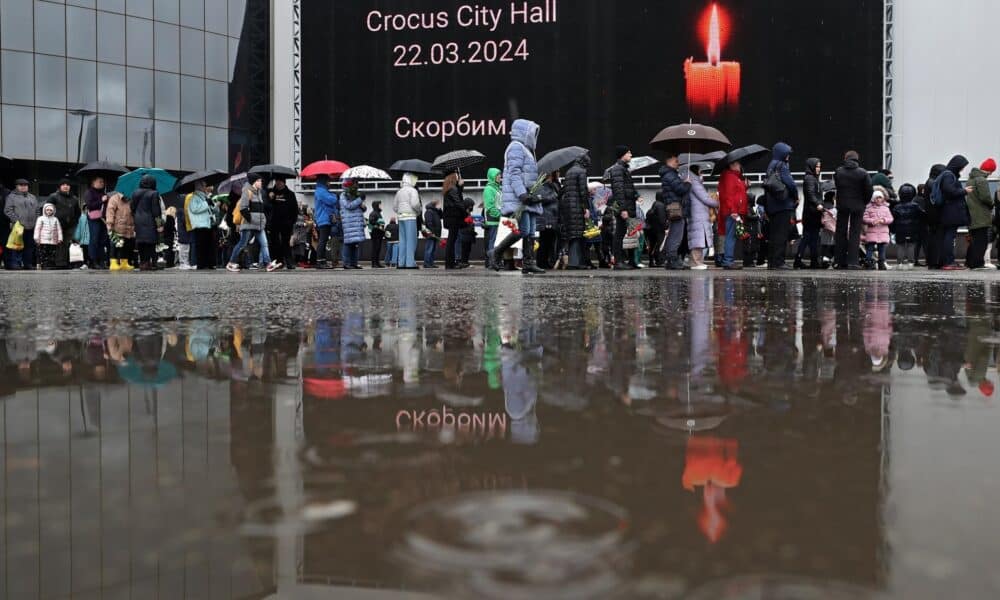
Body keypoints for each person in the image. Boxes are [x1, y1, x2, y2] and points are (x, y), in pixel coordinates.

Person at [489, 118, 544, 275]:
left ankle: (528, 263)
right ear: (525, 133)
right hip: (521, 197)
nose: (534, 136)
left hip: (528, 196)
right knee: (523, 230)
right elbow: (514, 173)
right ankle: (496, 252)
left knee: (531, 231)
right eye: (532, 132)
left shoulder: (525, 149)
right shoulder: (516, 147)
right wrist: (522, 194)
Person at [226, 173, 282, 272]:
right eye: (259, 181)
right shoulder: (247, 191)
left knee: (264, 244)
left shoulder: (259, 192)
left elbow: (261, 209)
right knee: (242, 244)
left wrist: (262, 220)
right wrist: (251, 219)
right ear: (254, 182)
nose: (261, 182)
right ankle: (231, 263)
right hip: (249, 224)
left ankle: (268, 264)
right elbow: (243, 208)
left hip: (258, 224)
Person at [833, 150, 874, 270]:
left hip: (842, 205)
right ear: (857, 159)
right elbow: (869, 190)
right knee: (855, 233)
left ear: (846, 158)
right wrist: (863, 202)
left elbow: (837, 186)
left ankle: (839, 261)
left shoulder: (839, 171)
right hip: (858, 205)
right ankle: (853, 261)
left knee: (840, 232)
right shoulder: (863, 173)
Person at [764, 142, 799, 270]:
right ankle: (779, 262)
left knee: (774, 235)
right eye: (787, 154)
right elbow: (790, 183)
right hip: (783, 205)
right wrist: (795, 196)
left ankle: (772, 262)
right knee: (782, 235)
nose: (788, 156)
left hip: (772, 205)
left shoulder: (771, 165)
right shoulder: (782, 165)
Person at [937, 155, 972, 271]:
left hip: (948, 211)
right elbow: (949, 191)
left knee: (948, 237)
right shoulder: (948, 175)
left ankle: (948, 261)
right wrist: (964, 191)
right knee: (949, 237)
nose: (962, 169)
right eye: (962, 166)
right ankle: (949, 262)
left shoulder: (947, 174)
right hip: (951, 212)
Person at [608, 145, 639, 270]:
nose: (631, 155)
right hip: (624, 207)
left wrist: (636, 195)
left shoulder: (624, 169)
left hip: (630, 206)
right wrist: (623, 209)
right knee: (620, 234)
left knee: (633, 233)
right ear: (622, 154)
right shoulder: (617, 169)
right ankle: (618, 262)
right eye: (629, 153)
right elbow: (619, 190)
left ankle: (632, 261)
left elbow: (627, 188)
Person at [660, 153, 693, 270]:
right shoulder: (670, 174)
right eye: (676, 160)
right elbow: (680, 189)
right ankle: (672, 259)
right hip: (676, 207)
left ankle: (671, 259)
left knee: (675, 233)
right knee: (676, 234)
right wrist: (687, 183)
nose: (678, 162)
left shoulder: (670, 174)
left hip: (674, 206)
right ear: (669, 160)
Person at [559, 154, 591, 270]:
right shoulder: (581, 172)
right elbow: (582, 191)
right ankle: (575, 262)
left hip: (568, 207)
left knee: (572, 234)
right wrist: (586, 207)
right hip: (577, 206)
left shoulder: (569, 171)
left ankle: (574, 261)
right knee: (578, 234)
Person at [684, 164, 718, 270]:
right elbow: (705, 198)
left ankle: (698, 262)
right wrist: (718, 203)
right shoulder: (695, 182)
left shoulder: (694, 181)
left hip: (698, 214)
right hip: (697, 215)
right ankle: (695, 263)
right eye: (701, 171)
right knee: (697, 240)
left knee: (699, 239)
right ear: (696, 171)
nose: (702, 174)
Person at [718, 159, 749, 270]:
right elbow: (728, 195)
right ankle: (728, 261)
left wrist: (745, 186)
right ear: (732, 165)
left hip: (733, 211)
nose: (740, 166)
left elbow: (736, 194)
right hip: (732, 212)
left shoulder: (733, 177)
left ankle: (728, 260)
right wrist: (733, 210)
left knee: (731, 236)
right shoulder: (730, 177)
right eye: (738, 164)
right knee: (731, 236)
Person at [965, 158, 995, 270]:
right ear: (990, 171)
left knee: (974, 240)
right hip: (981, 215)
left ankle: (970, 262)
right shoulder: (982, 180)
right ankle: (977, 263)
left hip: (972, 214)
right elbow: (985, 197)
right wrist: (992, 204)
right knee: (981, 240)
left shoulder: (971, 179)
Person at [795, 158, 824, 269]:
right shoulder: (810, 179)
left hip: (813, 213)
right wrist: (818, 204)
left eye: (819, 166)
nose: (818, 169)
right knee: (808, 237)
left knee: (812, 238)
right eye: (816, 166)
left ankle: (813, 261)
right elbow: (811, 194)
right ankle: (800, 259)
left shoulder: (813, 179)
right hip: (811, 213)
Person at [4, 179, 38, 270]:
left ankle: (28, 264)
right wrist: (17, 221)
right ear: (17, 186)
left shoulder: (32, 197)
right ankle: (15, 264)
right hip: (17, 226)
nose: (24, 187)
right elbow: (8, 210)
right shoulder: (11, 197)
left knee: (29, 246)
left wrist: (35, 221)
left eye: (25, 185)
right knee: (16, 245)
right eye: (21, 185)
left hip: (31, 226)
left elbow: (37, 211)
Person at [47, 178, 80, 269]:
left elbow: (78, 212)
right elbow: (47, 209)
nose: (66, 186)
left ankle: (65, 262)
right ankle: (57, 263)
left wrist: (75, 222)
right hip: (56, 224)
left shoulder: (74, 198)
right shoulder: (53, 196)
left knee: (67, 244)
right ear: (60, 186)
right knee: (57, 243)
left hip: (70, 225)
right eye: (63, 184)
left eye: (68, 185)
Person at [132, 175, 163, 271]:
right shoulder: (154, 193)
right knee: (151, 242)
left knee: (141, 242)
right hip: (150, 220)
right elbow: (156, 210)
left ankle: (143, 262)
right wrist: (159, 224)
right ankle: (150, 263)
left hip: (138, 220)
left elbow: (132, 207)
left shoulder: (135, 193)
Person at [267, 178, 299, 270]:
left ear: (284, 183)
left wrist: (292, 221)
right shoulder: (271, 193)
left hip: (286, 223)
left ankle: (289, 262)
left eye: (280, 182)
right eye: (276, 181)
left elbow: (295, 209)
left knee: (286, 243)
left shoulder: (290, 194)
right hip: (274, 223)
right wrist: (270, 198)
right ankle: (277, 261)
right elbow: (267, 206)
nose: (278, 183)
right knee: (274, 243)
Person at [394, 173, 423, 270]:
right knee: (411, 240)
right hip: (410, 217)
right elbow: (415, 204)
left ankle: (401, 263)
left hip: (401, 217)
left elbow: (395, 207)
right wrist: (418, 211)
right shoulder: (413, 190)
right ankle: (410, 263)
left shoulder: (399, 191)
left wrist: (400, 211)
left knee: (402, 240)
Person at [919, 164, 946, 268]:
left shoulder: (930, 181)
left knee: (933, 239)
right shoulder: (933, 183)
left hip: (931, 215)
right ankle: (935, 261)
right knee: (936, 239)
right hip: (935, 215)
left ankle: (932, 261)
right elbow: (938, 199)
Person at [892, 183, 924, 269]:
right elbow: (922, 215)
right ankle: (910, 263)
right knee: (911, 245)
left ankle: (899, 263)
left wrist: (893, 229)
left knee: (900, 245)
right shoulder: (915, 206)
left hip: (900, 229)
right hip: (912, 228)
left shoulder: (896, 206)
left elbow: (893, 218)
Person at [185, 181, 216, 270]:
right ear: (200, 187)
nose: (205, 187)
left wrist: (213, 206)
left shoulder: (203, 197)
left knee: (208, 245)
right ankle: (202, 264)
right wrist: (207, 203)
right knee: (201, 246)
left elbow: (208, 209)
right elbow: (195, 209)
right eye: (204, 185)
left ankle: (208, 263)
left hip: (206, 224)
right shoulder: (195, 197)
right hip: (200, 225)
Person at [862, 189, 894, 270]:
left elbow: (890, 218)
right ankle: (868, 262)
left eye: (880, 197)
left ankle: (881, 262)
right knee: (870, 248)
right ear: (873, 199)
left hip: (882, 232)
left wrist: (884, 220)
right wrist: (872, 221)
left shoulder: (886, 208)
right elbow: (864, 218)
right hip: (872, 232)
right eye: (877, 198)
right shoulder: (869, 208)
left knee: (882, 249)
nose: (879, 199)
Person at [312, 175, 339, 269]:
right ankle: (320, 261)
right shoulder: (321, 191)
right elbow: (332, 200)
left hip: (324, 218)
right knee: (323, 240)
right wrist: (334, 196)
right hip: (324, 218)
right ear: (324, 181)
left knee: (323, 239)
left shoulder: (321, 190)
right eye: (328, 181)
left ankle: (322, 261)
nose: (330, 183)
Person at [105, 191, 136, 272]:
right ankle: (113, 262)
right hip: (116, 226)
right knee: (114, 245)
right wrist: (110, 223)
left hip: (128, 226)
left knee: (126, 245)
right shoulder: (114, 198)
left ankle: (124, 262)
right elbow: (110, 212)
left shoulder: (131, 199)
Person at [537, 171, 562, 270]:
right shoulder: (542, 186)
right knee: (544, 241)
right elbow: (542, 199)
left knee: (550, 241)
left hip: (553, 216)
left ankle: (546, 261)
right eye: (557, 172)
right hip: (546, 217)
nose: (559, 173)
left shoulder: (554, 185)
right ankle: (541, 262)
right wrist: (554, 196)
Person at [339, 179, 366, 270]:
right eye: (354, 184)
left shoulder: (355, 195)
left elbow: (362, 207)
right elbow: (348, 206)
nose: (356, 186)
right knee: (348, 243)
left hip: (356, 222)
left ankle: (354, 263)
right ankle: (346, 263)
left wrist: (363, 206)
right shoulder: (343, 195)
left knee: (355, 243)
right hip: (349, 223)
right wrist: (359, 200)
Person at [442, 171, 467, 269]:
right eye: (456, 176)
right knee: (451, 241)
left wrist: (460, 187)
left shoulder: (450, 188)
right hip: (453, 218)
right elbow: (459, 202)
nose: (458, 177)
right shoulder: (452, 189)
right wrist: (465, 213)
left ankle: (450, 263)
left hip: (451, 218)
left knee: (451, 240)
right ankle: (450, 263)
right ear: (453, 177)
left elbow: (458, 199)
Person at [84, 176, 109, 269]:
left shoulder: (103, 193)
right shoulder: (89, 192)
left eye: (103, 182)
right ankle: (93, 260)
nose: (102, 183)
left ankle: (101, 261)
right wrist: (101, 200)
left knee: (102, 240)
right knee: (94, 239)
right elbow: (90, 205)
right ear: (93, 182)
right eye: (100, 182)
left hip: (103, 219)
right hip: (94, 218)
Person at [483, 168, 503, 268]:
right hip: (492, 221)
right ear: (492, 176)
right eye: (497, 175)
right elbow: (490, 207)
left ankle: (496, 261)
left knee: (497, 242)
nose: (500, 177)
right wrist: (500, 215)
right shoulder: (489, 189)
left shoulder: (498, 188)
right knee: (492, 242)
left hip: (498, 220)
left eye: (500, 175)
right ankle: (492, 262)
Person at [33, 203, 63, 269]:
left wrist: (60, 238)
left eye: (50, 210)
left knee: (52, 253)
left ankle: (50, 264)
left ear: (53, 211)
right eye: (47, 210)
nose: (49, 211)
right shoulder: (40, 219)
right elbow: (37, 229)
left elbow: (59, 229)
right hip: (43, 240)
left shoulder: (55, 219)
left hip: (53, 240)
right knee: (43, 253)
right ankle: (43, 264)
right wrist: (36, 238)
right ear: (44, 210)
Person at [643, 192, 667, 268]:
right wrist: (666, 227)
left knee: (652, 245)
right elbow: (662, 219)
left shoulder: (652, 207)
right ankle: (659, 261)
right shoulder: (661, 206)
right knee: (660, 245)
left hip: (650, 230)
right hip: (659, 230)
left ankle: (651, 262)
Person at [423, 198, 443, 268]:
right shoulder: (429, 211)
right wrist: (432, 232)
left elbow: (441, 216)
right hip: (431, 234)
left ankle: (431, 263)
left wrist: (440, 209)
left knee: (433, 249)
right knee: (429, 249)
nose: (439, 205)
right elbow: (429, 223)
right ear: (434, 204)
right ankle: (427, 263)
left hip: (435, 234)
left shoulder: (435, 211)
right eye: (438, 204)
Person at [820, 191, 838, 268]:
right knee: (832, 244)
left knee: (824, 244)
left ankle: (823, 258)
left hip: (824, 228)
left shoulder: (823, 207)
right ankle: (827, 258)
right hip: (832, 229)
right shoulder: (833, 209)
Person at [367, 199, 386, 268]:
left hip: (379, 234)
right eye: (380, 205)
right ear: (376, 206)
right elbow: (371, 222)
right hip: (375, 233)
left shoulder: (378, 213)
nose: (381, 206)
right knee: (375, 248)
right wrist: (378, 226)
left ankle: (377, 263)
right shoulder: (374, 213)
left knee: (378, 248)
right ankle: (374, 263)